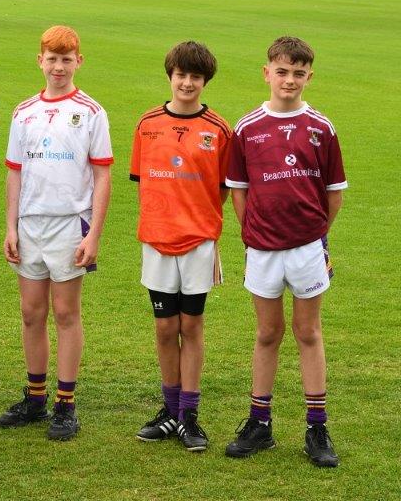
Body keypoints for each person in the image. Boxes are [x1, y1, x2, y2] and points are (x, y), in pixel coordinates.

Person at [224, 37, 346, 468]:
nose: (289, 80)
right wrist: (253, 231)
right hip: (263, 249)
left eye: (298, 73)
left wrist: (314, 234)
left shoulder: (322, 127)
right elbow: (238, 190)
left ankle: (317, 426)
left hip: (307, 248)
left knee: (308, 332)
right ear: (266, 73)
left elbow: (334, 194)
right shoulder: (248, 127)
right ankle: (260, 423)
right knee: (267, 333)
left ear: (309, 76)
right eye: (282, 71)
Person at [0, 25, 112, 441]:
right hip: (30, 224)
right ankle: (35, 396)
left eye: (67, 59)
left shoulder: (92, 112)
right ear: (39, 60)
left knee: (65, 313)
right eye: (52, 58)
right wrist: (10, 226)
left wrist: (93, 235)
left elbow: (102, 177)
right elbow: (14, 174)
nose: (58, 66)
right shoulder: (23, 111)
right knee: (31, 313)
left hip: (69, 224)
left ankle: (66, 403)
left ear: (78, 61)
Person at [129, 42, 231, 452]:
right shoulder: (147, 124)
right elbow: (143, 183)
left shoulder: (219, 130)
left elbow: (223, 189)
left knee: (192, 327)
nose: (187, 83)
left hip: (198, 245)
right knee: (164, 327)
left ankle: (189, 416)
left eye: (196, 77)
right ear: (170, 75)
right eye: (181, 75)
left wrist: (200, 222)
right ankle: (170, 411)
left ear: (205, 81)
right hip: (156, 241)